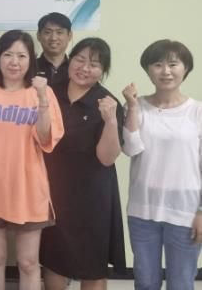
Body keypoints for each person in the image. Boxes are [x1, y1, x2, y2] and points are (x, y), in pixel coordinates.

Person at [0, 30, 64, 290]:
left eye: (22, 56)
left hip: (28, 188)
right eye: (8, 54)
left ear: (30, 60)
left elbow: (45, 139)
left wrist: (42, 98)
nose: (14, 62)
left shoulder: (43, 93)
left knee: (28, 262)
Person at [40, 38, 126, 289]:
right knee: (54, 258)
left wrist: (110, 121)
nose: (85, 68)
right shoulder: (50, 92)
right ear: (70, 59)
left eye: (94, 64)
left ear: (103, 71)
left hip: (92, 195)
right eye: (80, 59)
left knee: (92, 264)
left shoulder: (107, 102)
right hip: (53, 190)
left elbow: (107, 158)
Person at [122, 39, 202, 290]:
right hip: (142, 210)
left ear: (185, 69)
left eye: (173, 64)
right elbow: (131, 148)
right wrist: (132, 107)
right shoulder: (136, 107)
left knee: (181, 283)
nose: (166, 71)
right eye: (158, 64)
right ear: (148, 70)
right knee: (146, 282)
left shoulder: (197, 111)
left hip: (186, 212)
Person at [36, 12, 72, 89]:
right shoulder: (30, 67)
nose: (53, 38)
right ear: (38, 35)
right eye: (47, 32)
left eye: (59, 32)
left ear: (69, 35)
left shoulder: (76, 69)